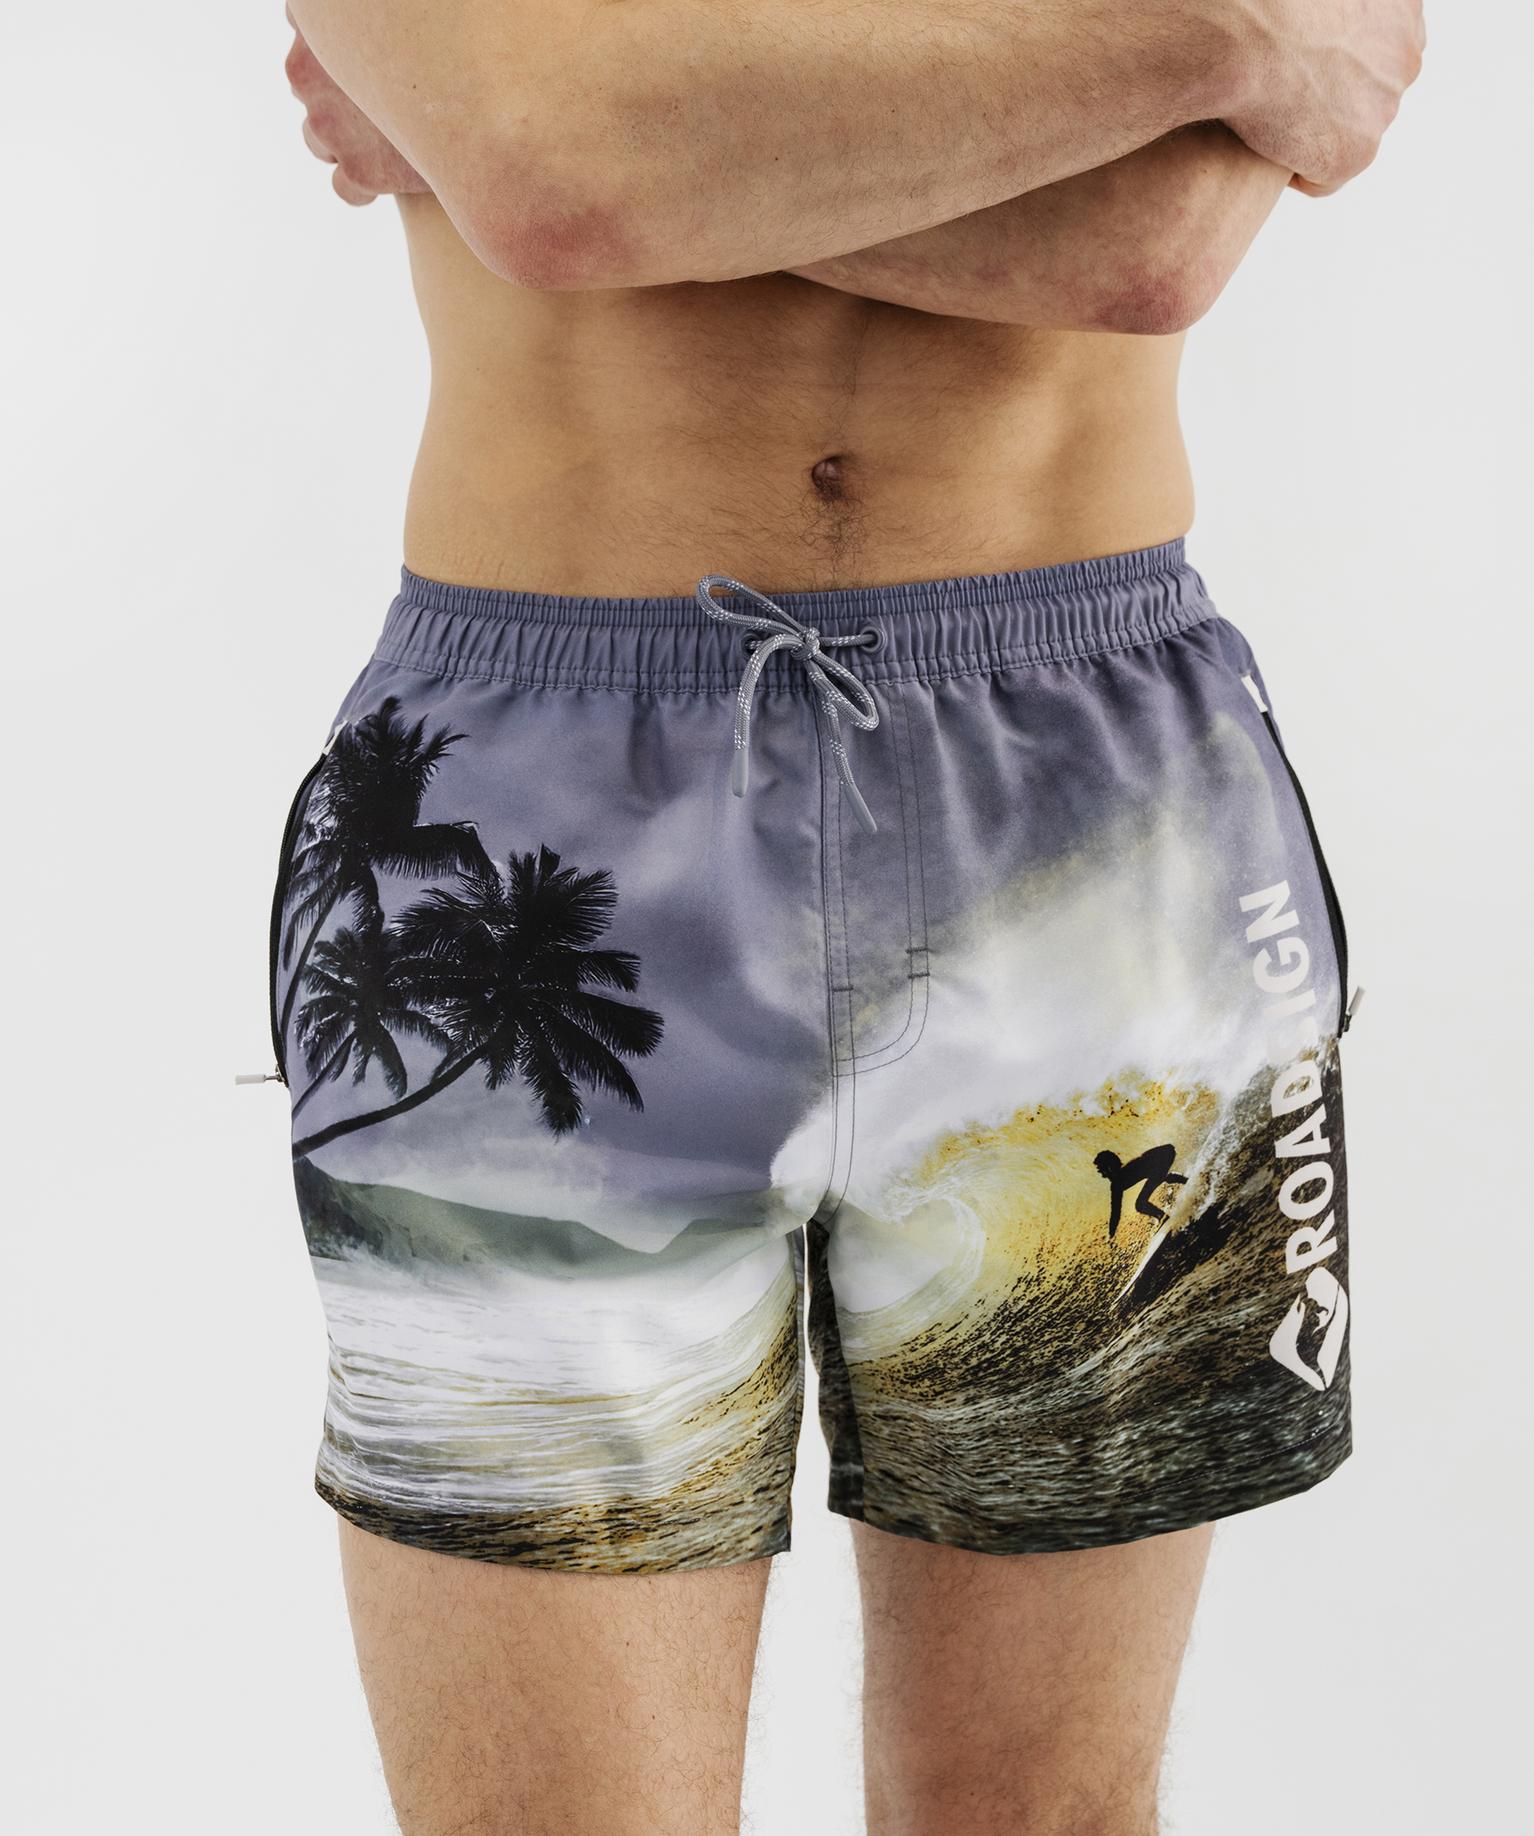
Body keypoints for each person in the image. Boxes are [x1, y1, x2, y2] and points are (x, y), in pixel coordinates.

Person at [268, 4, 1422, 1831]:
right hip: (523, 828)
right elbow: (563, 188)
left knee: (1043, 1811)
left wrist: (634, 142)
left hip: (1088, 820)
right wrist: (1218, 43)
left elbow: (1146, 249)